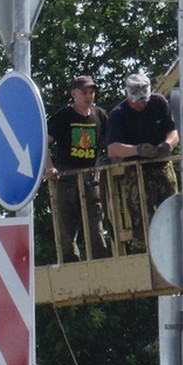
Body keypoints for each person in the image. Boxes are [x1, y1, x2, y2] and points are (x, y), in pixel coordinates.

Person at [106, 71, 180, 253]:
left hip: (162, 166)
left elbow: (174, 133)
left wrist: (167, 145)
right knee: (142, 217)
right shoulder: (118, 114)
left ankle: (174, 250)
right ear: (127, 95)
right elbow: (113, 148)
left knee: (173, 210)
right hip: (136, 169)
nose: (141, 104)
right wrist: (137, 150)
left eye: (144, 100)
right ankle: (144, 252)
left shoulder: (159, 103)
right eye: (137, 100)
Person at [46, 74, 111, 262]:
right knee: (66, 230)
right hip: (66, 178)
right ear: (74, 93)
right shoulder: (63, 116)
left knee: (96, 227)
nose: (89, 96)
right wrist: (49, 168)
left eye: (92, 92)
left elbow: (113, 140)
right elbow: (43, 143)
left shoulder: (100, 115)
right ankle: (70, 266)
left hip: (92, 178)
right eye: (84, 92)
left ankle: (101, 266)